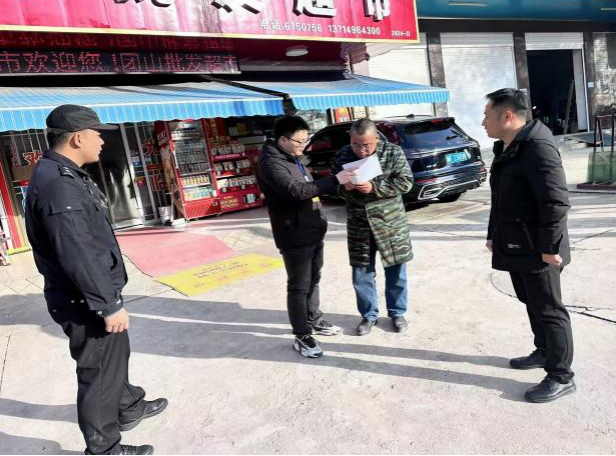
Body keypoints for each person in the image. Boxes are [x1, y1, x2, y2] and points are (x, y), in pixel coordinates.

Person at [25, 105, 168, 455]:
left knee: (114, 355)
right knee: (99, 372)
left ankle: (128, 405)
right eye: (97, 133)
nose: (102, 140)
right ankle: (103, 449)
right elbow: (78, 251)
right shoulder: (59, 185)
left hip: (90, 293)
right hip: (84, 299)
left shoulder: (63, 173)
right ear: (78, 138)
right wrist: (108, 304)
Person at [483, 88, 575, 403]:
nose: (483, 121)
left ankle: (561, 376)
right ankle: (544, 350)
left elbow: (555, 201)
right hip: (516, 242)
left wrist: (550, 247)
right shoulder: (508, 146)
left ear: (507, 116)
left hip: (539, 249)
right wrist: (493, 233)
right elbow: (501, 196)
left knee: (549, 309)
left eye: (487, 115)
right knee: (531, 301)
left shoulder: (538, 147)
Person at [258, 115, 355, 358]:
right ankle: (301, 334)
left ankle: (314, 318)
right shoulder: (271, 163)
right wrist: (335, 180)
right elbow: (295, 191)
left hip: (313, 229)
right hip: (293, 233)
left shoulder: (295, 158)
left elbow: (309, 189)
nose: (304, 145)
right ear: (282, 139)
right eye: (299, 141)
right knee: (299, 287)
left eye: (305, 140)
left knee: (314, 279)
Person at [334, 119, 414, 336]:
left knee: (396, 271)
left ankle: (397, 313)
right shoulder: (342, 155)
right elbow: (335, 187)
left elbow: (406, 182)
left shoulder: (393, 152)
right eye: (356, 144)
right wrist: (344, 187)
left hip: (390, 224)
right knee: (361, 273)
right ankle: (368, 316)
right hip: (359, 225)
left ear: (377, 138)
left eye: (366, 145)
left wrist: (374, 187)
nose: (361, 150)